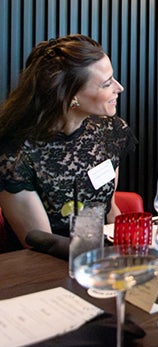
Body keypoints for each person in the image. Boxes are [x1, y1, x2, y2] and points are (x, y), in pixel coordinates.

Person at [0, 35, 135, 247]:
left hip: (99, 256)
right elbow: (42, 244)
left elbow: (109, 206)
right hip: (44, 267)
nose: (119, 88)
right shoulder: (15, 154)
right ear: (70, 96)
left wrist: (134, 245)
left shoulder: (110, 131)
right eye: (107, 84)